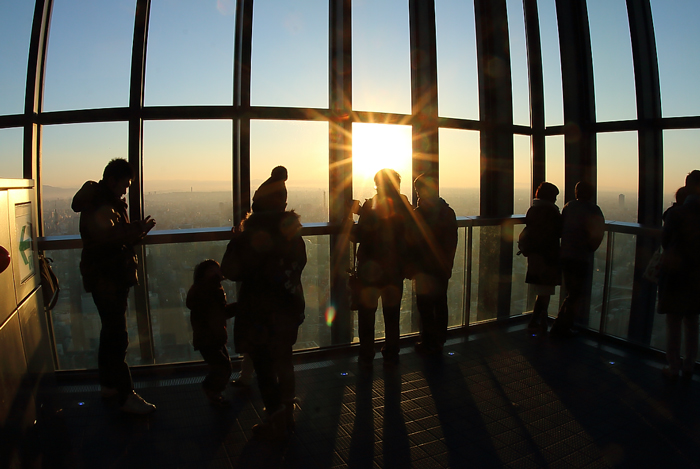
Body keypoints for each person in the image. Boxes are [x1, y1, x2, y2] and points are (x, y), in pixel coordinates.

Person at [71, 158, 157, 414]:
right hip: (108, 276)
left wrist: (135, 231)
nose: (126, 190)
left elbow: (112, 236)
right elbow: (109, 238)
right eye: (125, 184)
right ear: (112, 181)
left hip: (105, 276)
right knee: (117, 336)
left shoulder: (100, 201)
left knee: (110, 334)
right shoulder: (101, 203)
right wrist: (138, 228)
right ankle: (125, 395)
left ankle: (109, 385)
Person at [232, 166, 306, 439]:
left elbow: (232, 270)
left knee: (263, 363)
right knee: (284, 360)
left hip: (259, 312)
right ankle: (287, 415)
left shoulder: (252, 236)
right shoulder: (294, 235)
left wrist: (236, 240)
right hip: (289, 307)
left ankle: (275, 418)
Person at [353, 169, 411, 368]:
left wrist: (352, 218)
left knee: (367, 314)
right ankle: (392, 352)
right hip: (395, 269)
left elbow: (361, 234)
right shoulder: (404, 206)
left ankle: (366, 353)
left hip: (370, 269)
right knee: (392, 313)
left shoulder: (371, 205)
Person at [407, 173, 458, 355]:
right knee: (440, 303)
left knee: (425, 306)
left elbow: (411, 242)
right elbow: (452, 242)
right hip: (441, 268)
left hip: (423, 269)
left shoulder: (419, 215)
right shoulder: (448, 212)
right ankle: (439, 341)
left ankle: (428, 341)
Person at [657, 170, 700, 381]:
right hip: (697, 277)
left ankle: (673, 366)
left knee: (674, 322)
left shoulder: (677, 214)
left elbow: (665, 243)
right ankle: (690, 366)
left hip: (676, 275)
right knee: (693, 323)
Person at [549, 181, 605, 338]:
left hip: (565, 254)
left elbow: (561, 227)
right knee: (575, 293)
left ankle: (563, 326)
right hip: (581, 257)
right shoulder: (594, 210)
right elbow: (598, 233)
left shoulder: (569, 206)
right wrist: (589, 247)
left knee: (571, 292)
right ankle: (560, 327)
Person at [186, 259, 238, 406]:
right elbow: (219, 313)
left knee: (223, 366)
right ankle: (212, 390)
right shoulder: (209, 292)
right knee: (223, 366)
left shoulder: (205, 290)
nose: (215, 273)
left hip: (212, 338)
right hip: (210, 339)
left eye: (217, 270)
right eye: (211, 271)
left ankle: (214, 392)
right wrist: (238, 307)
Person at [523, 182, 562, 335]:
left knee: (542, 289)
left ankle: (537, 320)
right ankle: (537, 320)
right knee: (545, 289)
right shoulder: (551, 212)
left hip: (535, 255)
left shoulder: (533, 210)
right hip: (548, 256)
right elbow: (558, 232)